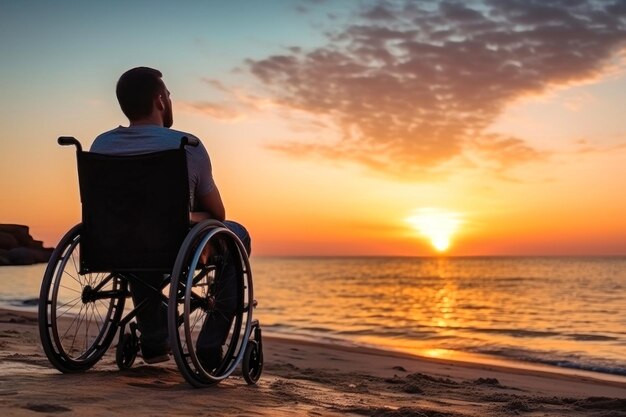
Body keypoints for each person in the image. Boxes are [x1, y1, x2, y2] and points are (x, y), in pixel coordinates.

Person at [91, 67, 251, 367]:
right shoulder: (186, 145)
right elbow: (217, 214)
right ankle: (208, 346)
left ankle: (154, 338)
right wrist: (183, 214)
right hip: (172, 245)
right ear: (160, 100)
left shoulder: (102, 145)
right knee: (236, 233)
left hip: (114, 245)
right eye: (169, 95)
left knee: (137, 246)